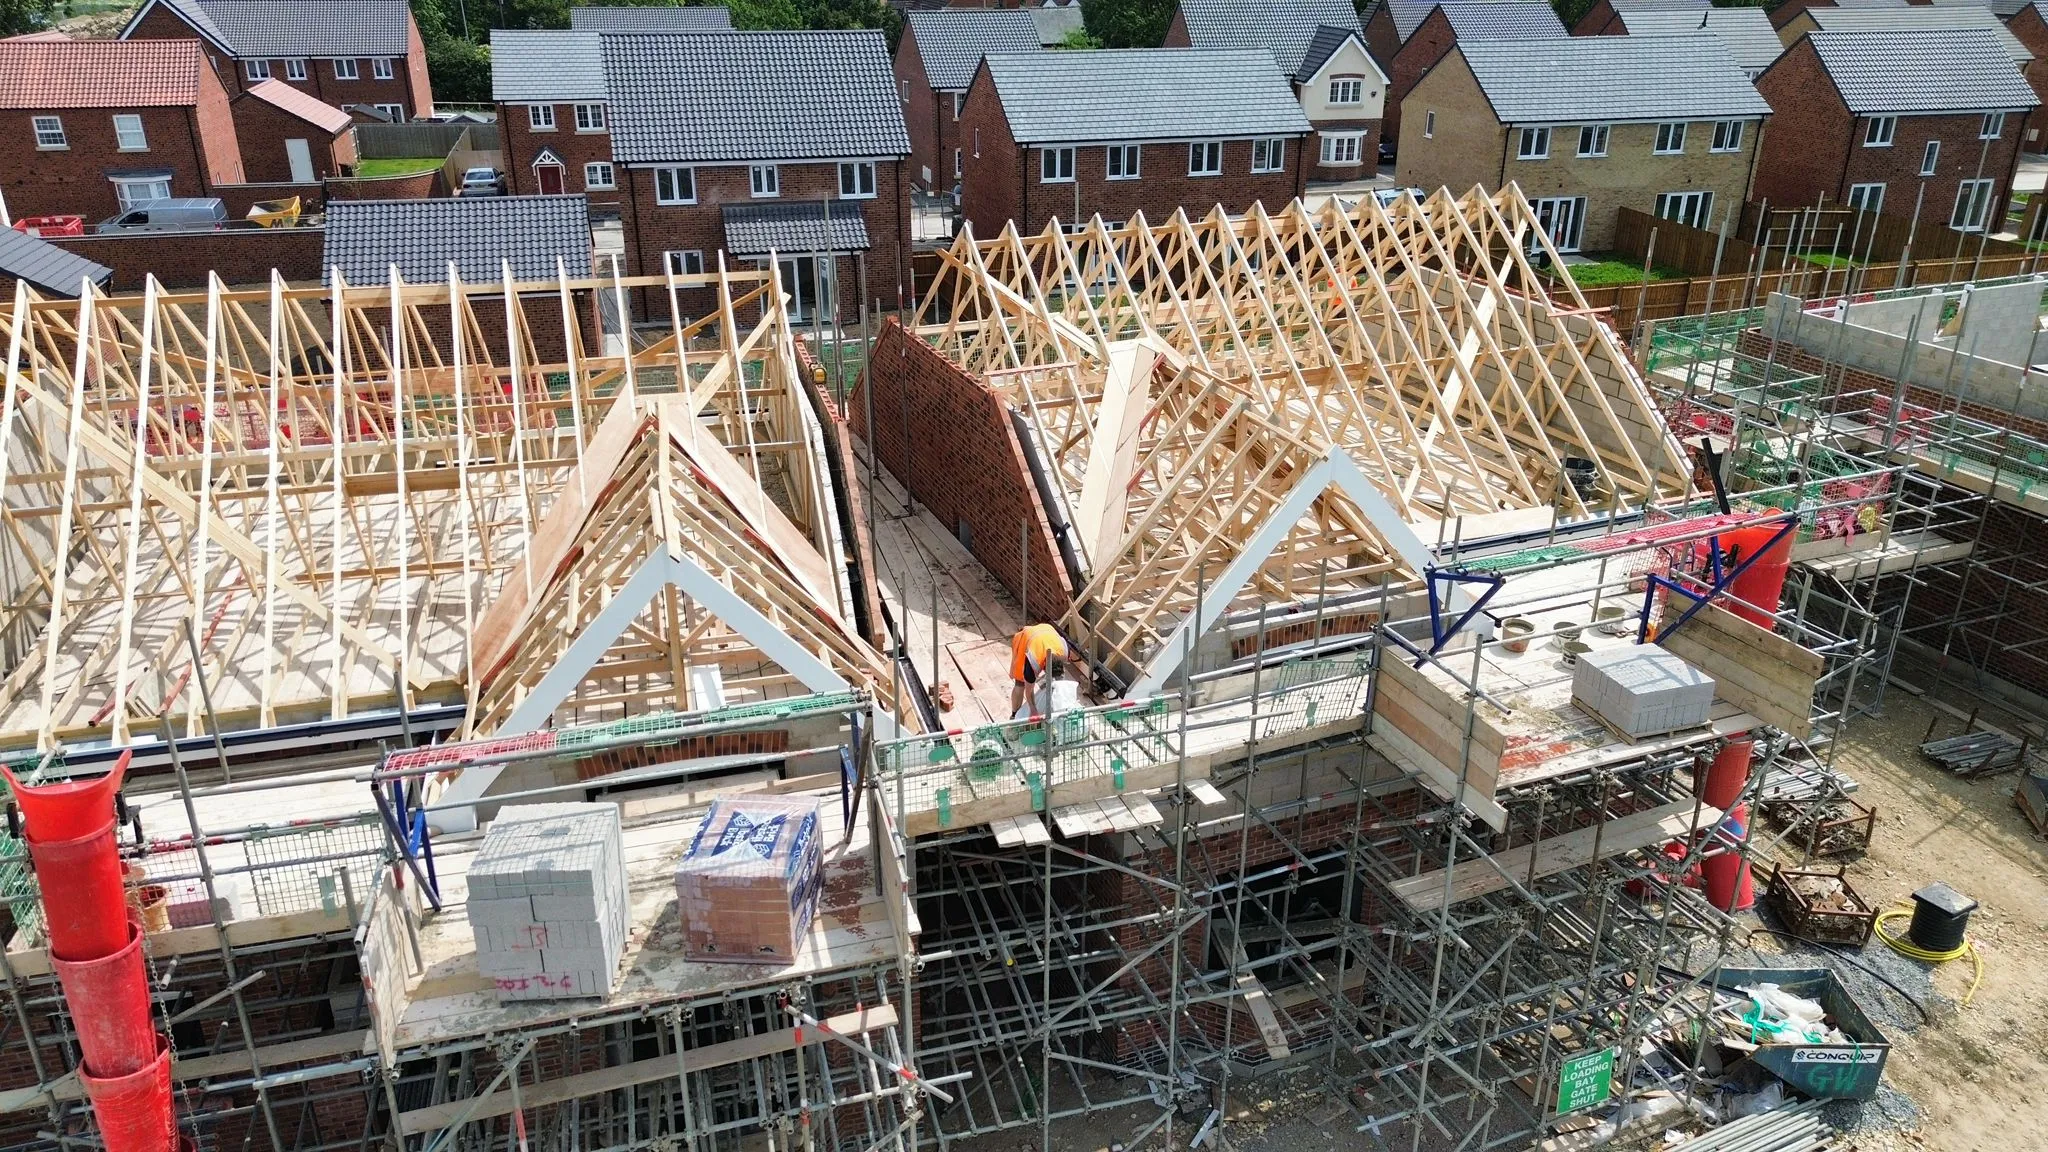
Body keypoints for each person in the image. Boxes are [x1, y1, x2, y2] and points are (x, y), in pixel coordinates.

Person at [1009, 621, 1072, 717]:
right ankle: (1014, 715)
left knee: (1056, 684)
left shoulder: (1064, 651)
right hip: (1025, 638)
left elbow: (1060, 681)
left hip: (1047, 630)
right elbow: (1029, 690)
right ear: (1044, 667)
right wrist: (1033, 709)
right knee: (1020, 683)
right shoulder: (1034, 660)